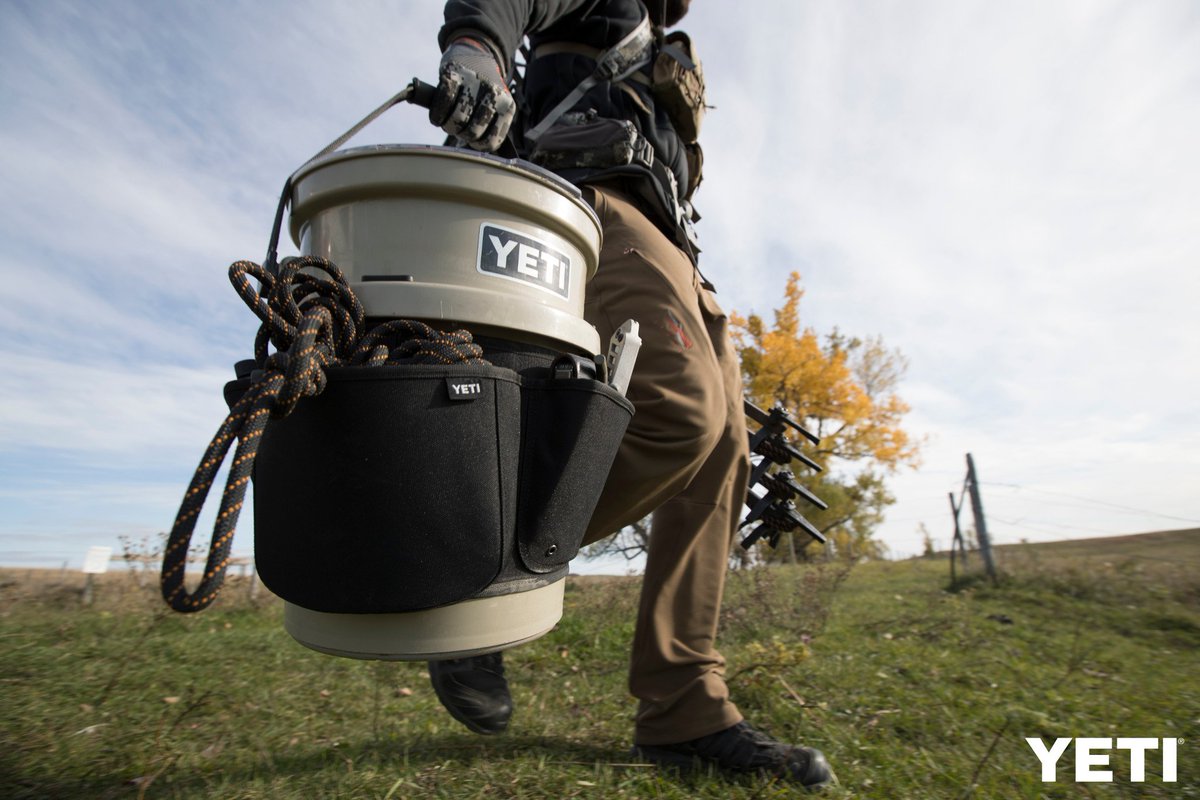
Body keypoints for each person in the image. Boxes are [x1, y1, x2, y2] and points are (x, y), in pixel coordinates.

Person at [423, 0, 835, 788]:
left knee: (722, 455)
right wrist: (476, 50)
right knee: (681, 410)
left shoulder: (665, 41)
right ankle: (476, 584)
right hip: (592, 208)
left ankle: (686, 712)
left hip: (671, 245)